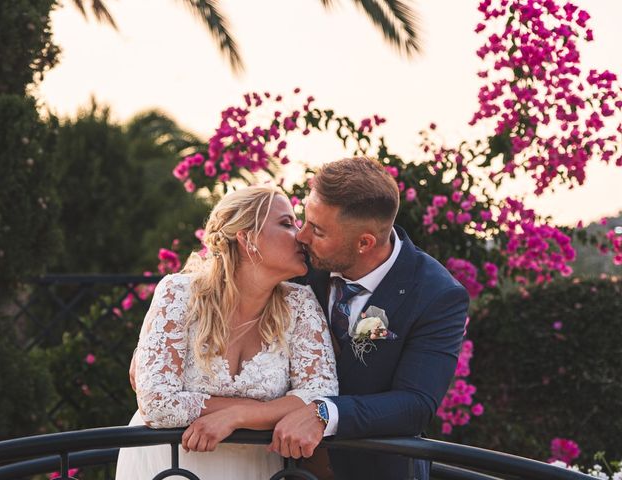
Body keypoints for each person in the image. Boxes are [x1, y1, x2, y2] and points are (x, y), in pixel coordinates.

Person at [116, 185, 339, 480]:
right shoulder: (179, 294)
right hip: (170, 461)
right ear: (247, 238)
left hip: (255, 466)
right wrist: (267, 409)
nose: (299, 235)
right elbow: (157, 402)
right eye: (286, 223)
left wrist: (237, 417)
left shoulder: (301, 304)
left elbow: (320, 395)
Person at [267, 157, 470, 480]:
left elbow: (415, 404)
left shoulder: (437, 294)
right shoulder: (298, 266)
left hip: (376, 471)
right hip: (282, 469)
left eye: (317, 230)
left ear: (365, 243)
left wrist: (325, 413)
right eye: (304, 220)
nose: (301, 236)